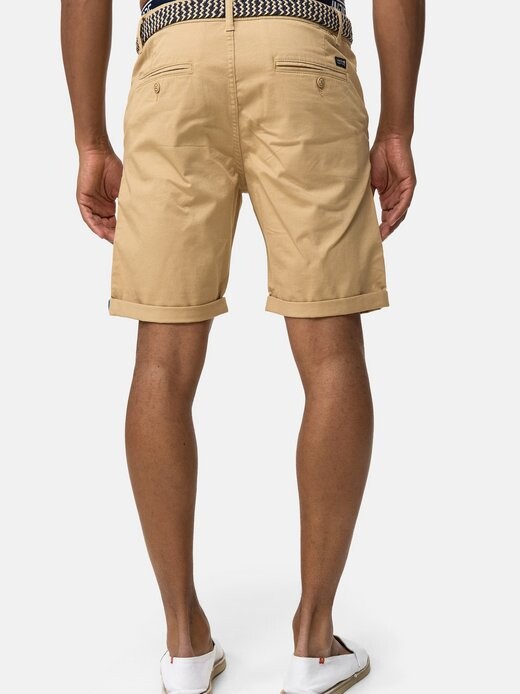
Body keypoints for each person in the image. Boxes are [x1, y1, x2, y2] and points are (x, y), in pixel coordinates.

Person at [61, 0, 423, 691]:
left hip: (174, 59)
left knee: (161, 362)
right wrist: (398, 126)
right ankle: (314, 644)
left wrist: (89, 141)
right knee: (331, 352)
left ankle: (184, 645)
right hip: (302, 52)